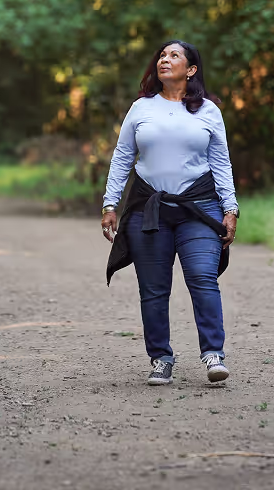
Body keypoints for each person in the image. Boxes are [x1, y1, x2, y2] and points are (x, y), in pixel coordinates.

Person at [101, 40, 239, 386]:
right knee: (153, 289)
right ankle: (160, 358)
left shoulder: (208, 111)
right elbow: (122, 158)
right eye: (162, 55)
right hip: (151, 210)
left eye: (174, 55)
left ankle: (213, 354)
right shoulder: (141, 108)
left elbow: (221, 162)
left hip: (200, 208)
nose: (165, 59)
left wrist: (230, 207)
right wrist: (109, 204)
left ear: (190, 69)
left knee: (203, 278)